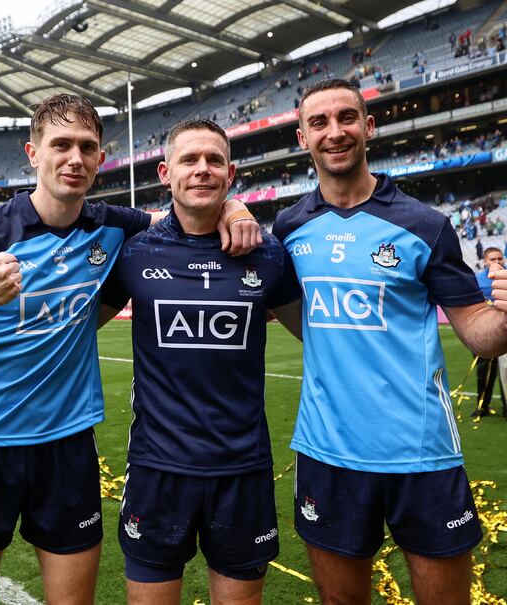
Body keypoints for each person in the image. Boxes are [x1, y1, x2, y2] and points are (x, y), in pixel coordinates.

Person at [0, 94, 260, 605]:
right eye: (61, 145)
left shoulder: (112, 226)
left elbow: (184, 212)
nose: (75, 158)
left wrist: (234, 204)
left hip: (67, 447)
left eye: (88, 147)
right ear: (32, 153)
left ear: (99, 159)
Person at [272, 79, 507, 605]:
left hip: (422, 454)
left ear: (368, 127)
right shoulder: (289, 227)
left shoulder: (425, 225)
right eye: (318, 123)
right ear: (303, 137)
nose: (334, 132)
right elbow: (297, 315)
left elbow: (480, 333)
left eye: (347, 118)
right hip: (328, 453)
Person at [98, 119, 302, 605]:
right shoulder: (133, 253)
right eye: (189, 160)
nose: (202, 170)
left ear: (231, 174)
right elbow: (74, 329)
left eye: (214, 160)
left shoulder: (268, 255)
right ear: (166, 173)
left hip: (243, 470)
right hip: (156, 468)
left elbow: (319, 339)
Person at [473, 247, 507, 422]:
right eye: (493, 259)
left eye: (500, 259)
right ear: (485, 261)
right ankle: (482, 406)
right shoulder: (476, 280)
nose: (497, 262)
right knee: (483, 370)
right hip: (484, 333)